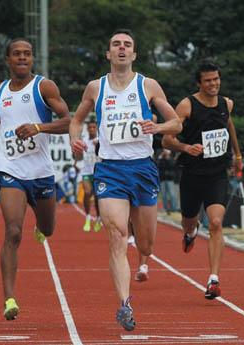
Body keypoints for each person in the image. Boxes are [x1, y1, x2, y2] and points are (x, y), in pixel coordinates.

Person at [69, 29, 181, 331]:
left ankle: (142, 250)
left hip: (142, 169)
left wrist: (156, 129)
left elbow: (177, 122)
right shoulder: (96, 87)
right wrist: (74, 140)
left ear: (134, 54)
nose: (121, 48)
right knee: (117, 235)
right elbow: (77, 119)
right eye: (116, 45)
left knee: (146, 244)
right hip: (110, 170)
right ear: (108, 54)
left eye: (127, 45)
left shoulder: (148, 85)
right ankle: (125, 304)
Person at [0, 38, 71, 321]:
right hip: (10, 170)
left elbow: (68, 121)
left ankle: (41, 227)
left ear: (32, 59)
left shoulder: (44, 87)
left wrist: (39, 127)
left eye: (27, 54)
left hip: (41, 173)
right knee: (13, 231)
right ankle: (9, 298)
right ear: (8, 59)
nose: (22, 58)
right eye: (16, 54)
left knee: (48, 229)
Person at [162, 61, 243, 300]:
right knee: (189, 221)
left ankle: (214, 278)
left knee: (216, 223)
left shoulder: (227, 103)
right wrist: (186, 147)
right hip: (192, 174)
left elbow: (229, 126)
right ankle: (190, 233)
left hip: (217, 173)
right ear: (199, 83)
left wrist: (238, 154)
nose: (213, 84)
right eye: (208, 80)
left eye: (216, 79)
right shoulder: (187, 106)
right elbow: (167, 140)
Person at [76, 117, 102, 231]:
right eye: (90, 127)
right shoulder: (84, 141)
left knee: (97, 197)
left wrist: (99, 146)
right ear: (87, 129)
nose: (92, 129)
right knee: (87, 193)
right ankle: (87, 217)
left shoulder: (101, 140)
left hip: (98, 172)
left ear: (96, 128)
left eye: (93, 127)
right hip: (86, 171)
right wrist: (76, 162)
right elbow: (79, 156)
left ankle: (98, 218)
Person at [157, 148, 177, 214]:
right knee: (164, 194)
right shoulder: (161, 159)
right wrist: (161, 157)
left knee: (172, 194)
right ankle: (165, 208)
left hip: (170, 178)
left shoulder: (171, 159)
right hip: (162, 179)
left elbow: (173, 165)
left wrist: (168, 158)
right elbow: (157, 166)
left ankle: (173, 208)